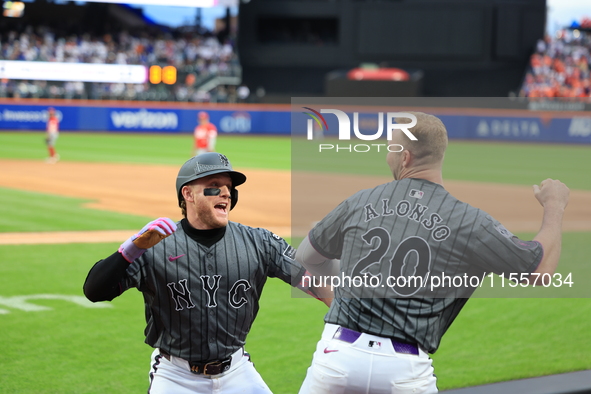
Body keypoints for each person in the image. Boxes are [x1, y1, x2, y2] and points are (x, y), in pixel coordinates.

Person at [295, 112, 570, 394]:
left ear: (405, 158)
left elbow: (307, 258)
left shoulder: (360, 201)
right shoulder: (470, 222)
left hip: (336, 358)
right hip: (404, 372)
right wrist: (555, 207)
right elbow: (539, 272)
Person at [83, 152, 329, 394]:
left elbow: (318, 282)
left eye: (229, 188)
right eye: (213, 186)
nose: (225, 192)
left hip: (237, 371)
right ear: (188, 194)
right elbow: (94, 292)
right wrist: (131, 249)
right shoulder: (153, 245)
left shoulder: (259, 242)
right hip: (175, 375)